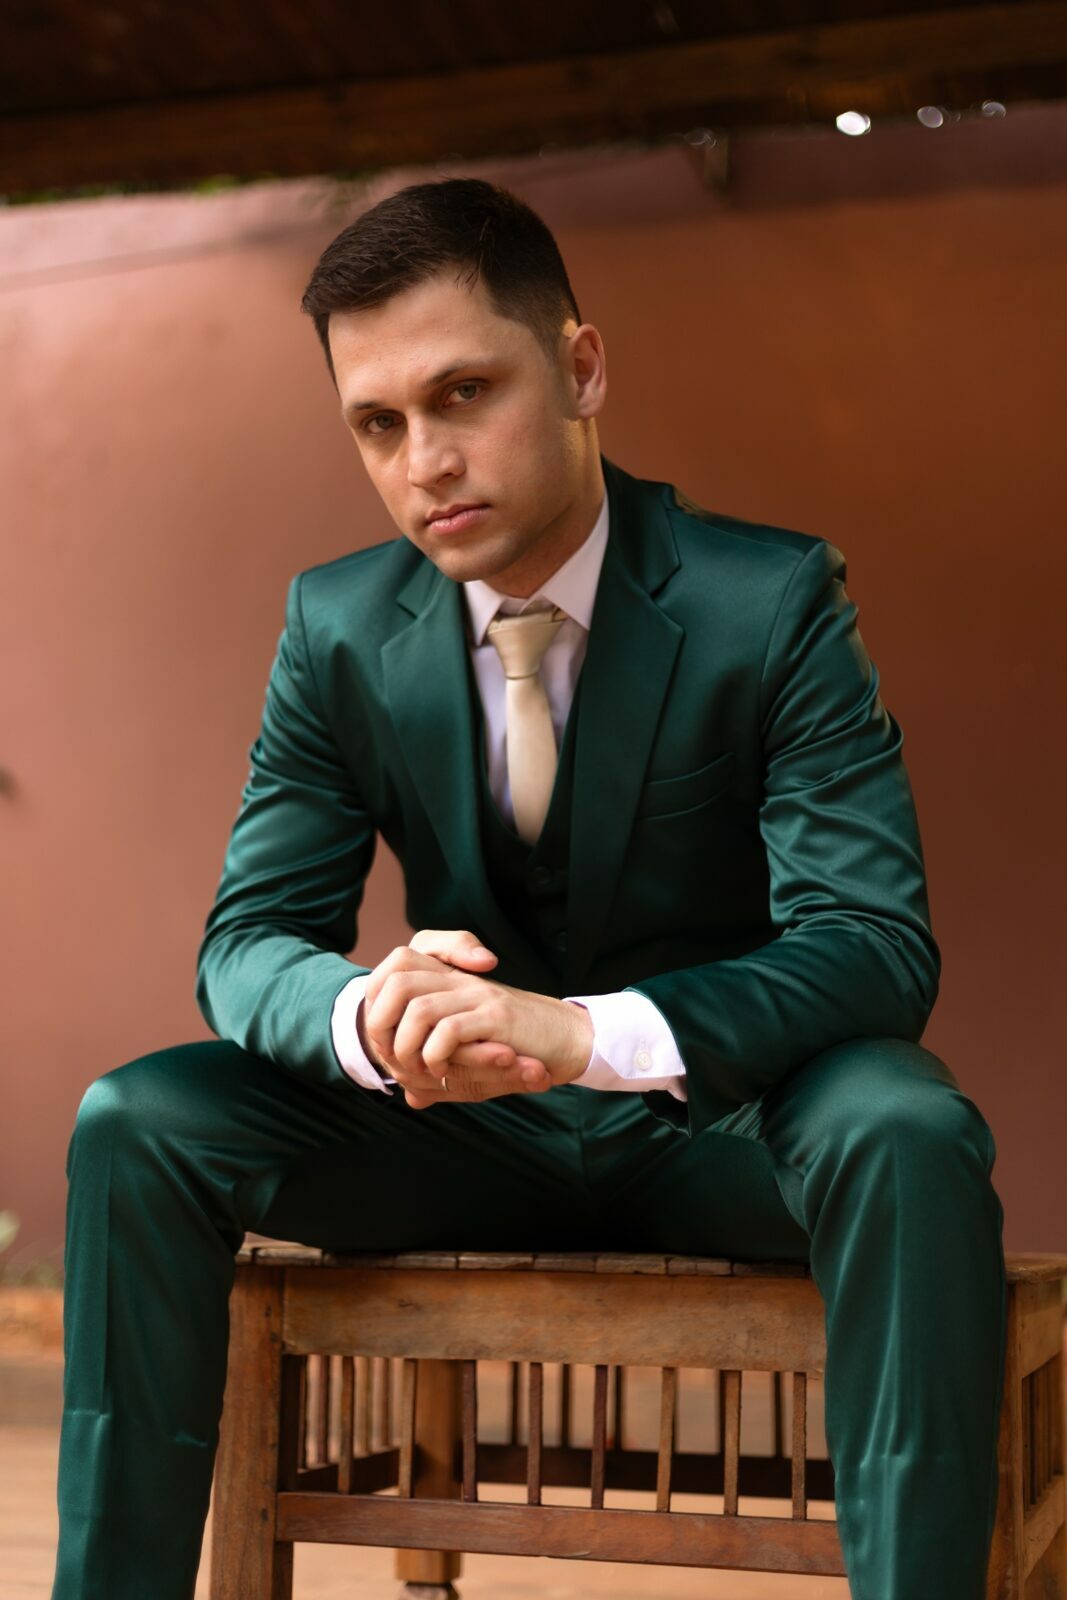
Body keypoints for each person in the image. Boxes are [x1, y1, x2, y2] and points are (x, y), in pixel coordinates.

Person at [52, 177, 1007, 1600]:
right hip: (458, 1133)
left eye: (463, 393)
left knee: (906, 1124)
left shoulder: (771, 601)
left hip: (726, 1126)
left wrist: (586, 1033)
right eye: (378, 424)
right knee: (138, 1120)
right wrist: (367, 1015)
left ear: (580, 369)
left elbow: (872, 946)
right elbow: (250, 939)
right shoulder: (337, 627)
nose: (425, 461)